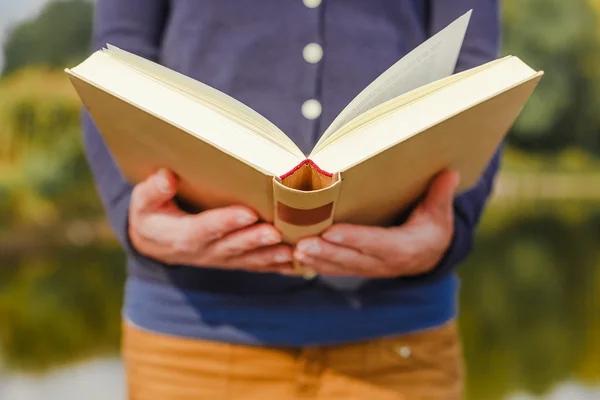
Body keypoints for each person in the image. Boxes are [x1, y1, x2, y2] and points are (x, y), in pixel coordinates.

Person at [82, 1, 502, 399]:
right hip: (188, 342)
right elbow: (114, 59)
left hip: (402, 342)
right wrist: (133, 218)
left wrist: (451, 227)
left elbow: (477, 71)